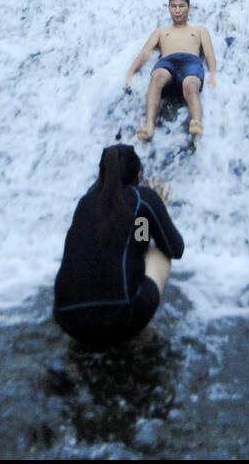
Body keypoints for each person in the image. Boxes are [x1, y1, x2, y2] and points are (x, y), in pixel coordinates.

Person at [53, 144, 184, 348]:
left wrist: (145, 224)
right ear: (139, 173)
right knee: (159, 252)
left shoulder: (85, 201)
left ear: (100, 173)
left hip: (67, 319)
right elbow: (175, 249)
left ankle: (85, 344)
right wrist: (160, 210)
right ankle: (137, 332)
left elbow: (136, 244)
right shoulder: (143, 197)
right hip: (119, 318)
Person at [124, 0, 217, 140]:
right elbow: (144, 53)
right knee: (157, 76)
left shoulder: (199, 30)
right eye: (173, 6)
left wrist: (213, 74)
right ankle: (149, 127)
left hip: (191, 62)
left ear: (189, 7)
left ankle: (197, 123)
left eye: (181, 6)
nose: (177, 10)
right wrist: (130, 73)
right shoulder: (161, 32)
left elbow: (209, 54)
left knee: (190, 83)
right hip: (168, 62)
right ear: (168, 8)